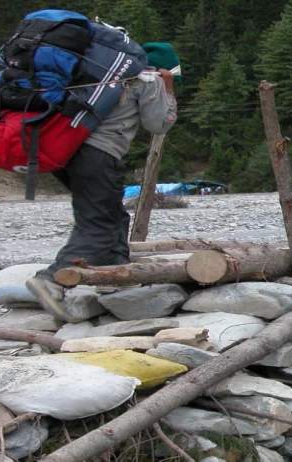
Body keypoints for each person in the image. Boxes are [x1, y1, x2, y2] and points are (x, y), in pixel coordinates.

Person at [26, 42, 179, 322]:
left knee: (112, 214)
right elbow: (160, 124)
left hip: (66, 152)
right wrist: (167, 89)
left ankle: (117, 274)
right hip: (98, 156)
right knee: (98, 223)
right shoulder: (149, 78)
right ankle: (50, 280)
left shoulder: (103, 72)